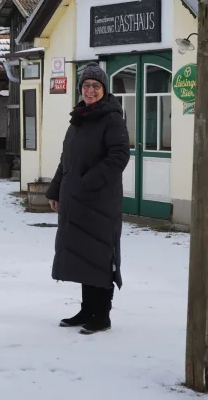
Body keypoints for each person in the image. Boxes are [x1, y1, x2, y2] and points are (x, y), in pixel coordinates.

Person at [45, 61, 130, 335]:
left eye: (95, 86)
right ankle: (86, 309)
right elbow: (66, 158)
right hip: (76, 200)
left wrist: (86, 183)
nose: (90, 91)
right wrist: (56, 189)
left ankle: (101, 315)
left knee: (100, 255)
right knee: (82, 255)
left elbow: (119, 156)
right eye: (86, 86)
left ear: (104, 89)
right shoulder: (79, 118)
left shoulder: (112, 118)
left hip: (100, 201)